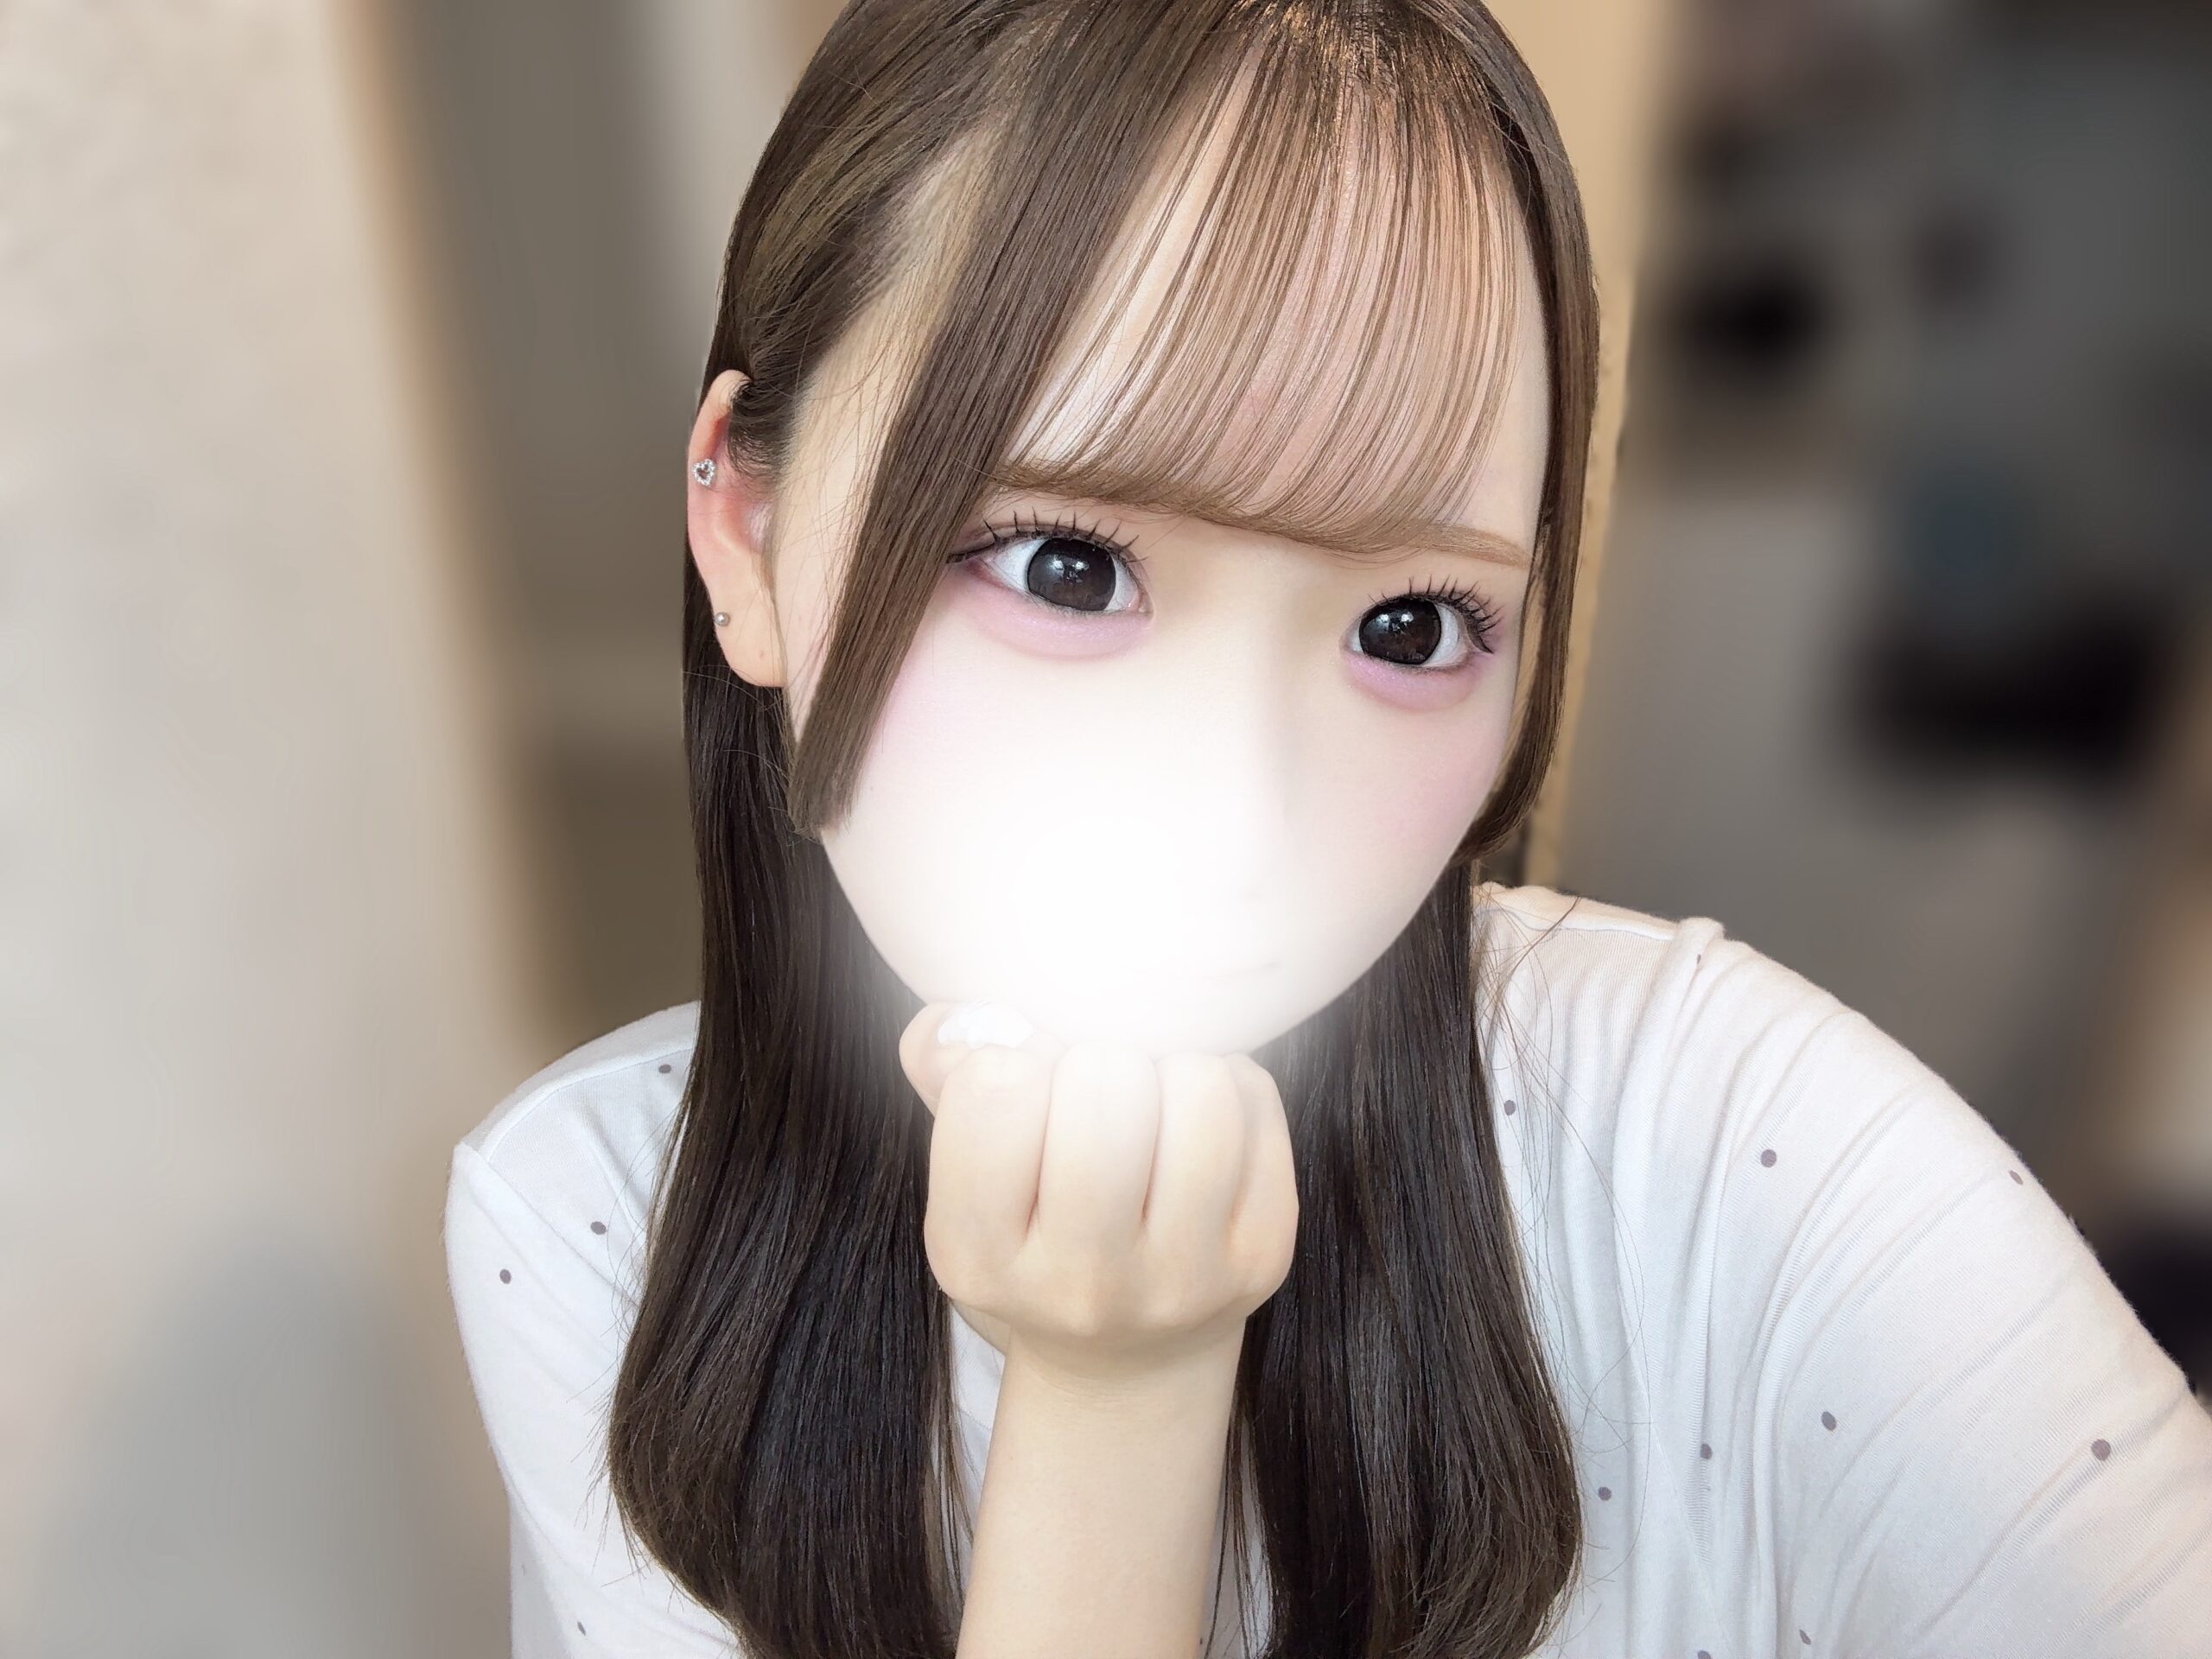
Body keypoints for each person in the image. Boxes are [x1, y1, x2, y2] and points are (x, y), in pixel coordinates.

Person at [442, 3, 2212, 1656]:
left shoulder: (1746, 1147)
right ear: (745, 528)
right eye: (1068, 567)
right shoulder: (589, 1224)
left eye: (1411, 626)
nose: (1239, 814)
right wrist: (1116, 1400)